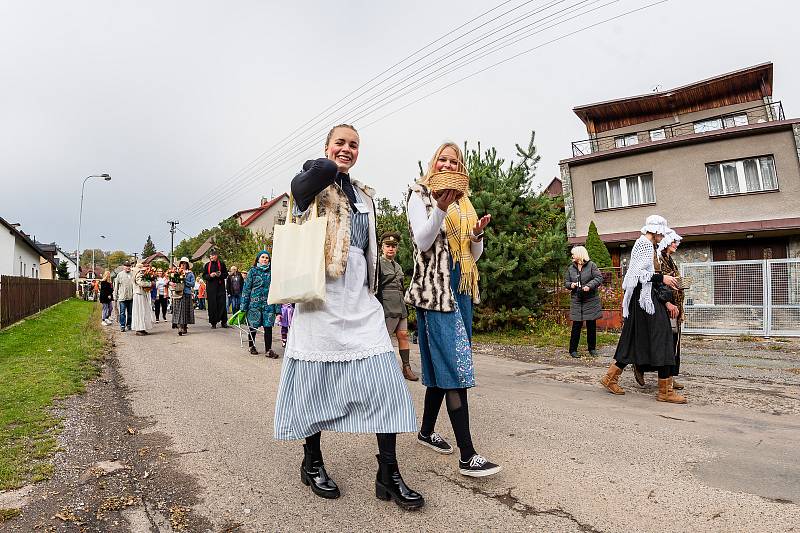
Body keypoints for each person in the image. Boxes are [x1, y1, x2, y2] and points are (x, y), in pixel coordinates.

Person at [273, 124, 422, 509]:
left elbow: (370, 251)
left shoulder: (367, 197)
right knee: (313, 387)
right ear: (326, 147)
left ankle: (388, 473)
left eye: (354, 145)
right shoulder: (312, 183)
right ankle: (312, 462)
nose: (347, 149)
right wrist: (324, 162)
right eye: (340, 143)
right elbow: (312, 180)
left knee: (385, 383)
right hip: (319, 297)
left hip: (360, 299)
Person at [405, 142, 501, 478]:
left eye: (454, 161)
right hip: (435, 291)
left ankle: (426, 432)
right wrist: (441, 209)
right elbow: (422, 241)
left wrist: (476, 235)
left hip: (460, 286)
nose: (448, 164)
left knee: (442, 365)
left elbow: (474, 256)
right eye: (442, 159)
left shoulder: (465, 201)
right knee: (455, 367)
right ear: (433, 163)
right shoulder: (419, 195)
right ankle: (468, 455)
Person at [599, 215, 685, 404]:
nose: (664, 236)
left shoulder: (648, 245)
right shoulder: (644, 244)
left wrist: (662, 278)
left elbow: (644, 273)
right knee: (663, 337)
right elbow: (637, 274)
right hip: (644, 299)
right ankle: (665, 392)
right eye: (662, 232)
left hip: (642, 300)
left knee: (632, 339)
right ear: (654, 231)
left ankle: (610, 378)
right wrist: (662, 278)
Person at [635, 231, 686, 389]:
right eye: (673, 242)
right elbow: (657, 285)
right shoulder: (658, 259)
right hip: (665, 305)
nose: (675, 245)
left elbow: (672, 281)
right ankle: (642, 367)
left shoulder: (670, 260)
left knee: (674, 343)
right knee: (664, 343)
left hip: (675, 304)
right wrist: (667, 303)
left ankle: (670, 376)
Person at [377, 231, 417, 381]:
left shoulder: (398, 266)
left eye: (394, 246)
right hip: (386, 305)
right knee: (384, 338)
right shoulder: (378, 264)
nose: (391, 249)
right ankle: (382, 368)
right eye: (388, 245)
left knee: (403, 335)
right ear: (382, 247)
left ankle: (406, 368)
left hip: (400, 306)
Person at [564, 245, 604, 358]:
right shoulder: (571, 268)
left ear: (579, 255)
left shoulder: (592, 265)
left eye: (573, 254)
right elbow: (566, 282)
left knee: (591, 325)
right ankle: (573, 350)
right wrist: (571, 285)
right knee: (576, 325)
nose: (572, 256)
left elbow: (599, 278)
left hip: (590, 299)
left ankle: (592, 349)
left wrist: (589, 286)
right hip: (577, 299)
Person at [240, 251, 280, 357]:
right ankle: (251, 346)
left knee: (268, 327)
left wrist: (278, 310)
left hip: (268, 304)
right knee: (253, 326)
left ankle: (268, 350)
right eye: (262, 257)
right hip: (254, 304)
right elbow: (246, 289)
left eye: (267, 258)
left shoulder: (272, 272)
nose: (265, 259)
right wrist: (243, 306)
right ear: (258, 259)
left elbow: (276, 290)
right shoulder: (252, 272)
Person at [203, 249, 229, 328]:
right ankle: (213, 323)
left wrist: (220, 275)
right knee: (212, 305)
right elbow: (204, 276)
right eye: (210, 256)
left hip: (220, 288)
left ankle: (224, 322)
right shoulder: (207, 265)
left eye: (212, 256)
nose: (211, 257)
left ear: (216, 256)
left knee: (222, 304)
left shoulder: (221, 264)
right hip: (211, 288)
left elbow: (226, 274)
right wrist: (210, 276)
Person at [171, 257, 196, 336]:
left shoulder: (190, 273)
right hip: (178, 293)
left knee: (186, 310)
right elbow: (172, 282)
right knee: (179, 310)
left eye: (184, 263)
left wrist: (185, 280)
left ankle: (184, 326)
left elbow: (192, 284)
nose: (183, 265)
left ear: (187, 265)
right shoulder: (177, 273)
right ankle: (180, 327)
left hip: (187, 293)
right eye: (182, 263)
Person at [132, 263, 155, 336]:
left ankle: (142, 328)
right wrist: (150, 284)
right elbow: (141, 283)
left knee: (143, 311)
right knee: (140, 311)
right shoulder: (138, 274)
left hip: (141, 294)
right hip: (139, 294)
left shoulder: (138, 273)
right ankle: (139, 328)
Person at [113, 261, 135, 332]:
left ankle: (129, 325)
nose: (128, 267)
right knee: (122, 312)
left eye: (129, 266)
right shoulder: (120, 275)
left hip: (131, 297)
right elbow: (116, 286)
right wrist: (115, 296)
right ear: (123, 267)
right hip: (122, 297)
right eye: (126, 266)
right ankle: (122, 325)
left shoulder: (132, 274)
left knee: (130, 313)